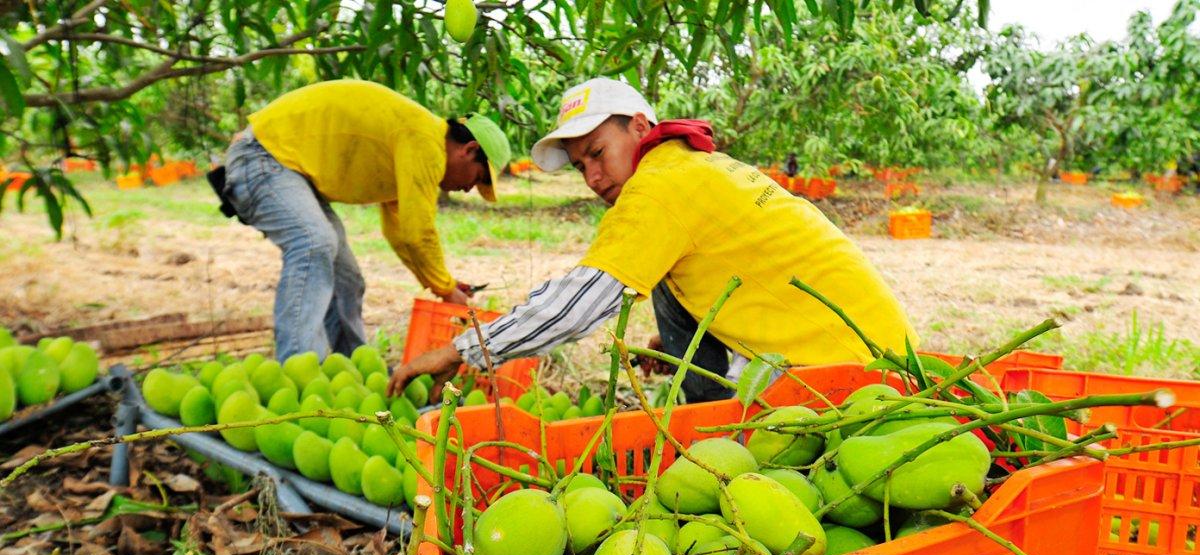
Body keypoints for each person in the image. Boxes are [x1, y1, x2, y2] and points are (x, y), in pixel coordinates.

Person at [388, 78, 915, 403]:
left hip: (854, 378)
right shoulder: (690, 165)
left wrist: (461, 351)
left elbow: (575, 307)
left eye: (598, 153)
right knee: (663, 280)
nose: (593, 177)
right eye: (580, 166)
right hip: (881, 350)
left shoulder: (658, 189)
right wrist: (681, 343)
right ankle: (707, 406)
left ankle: (708, 418)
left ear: (640, 127)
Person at [218, 80, 511, 360]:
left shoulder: (417, 145)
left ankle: (352, 365)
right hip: (261, 156)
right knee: (314, 242)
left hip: (285, 168)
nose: (470, 189)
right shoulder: (425, 141)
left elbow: (401, 232)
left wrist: (442, 284)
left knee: (347, 279)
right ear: (469, 150)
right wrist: (445, 288)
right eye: (479, 178)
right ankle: (298, 368)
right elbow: (418, 232)